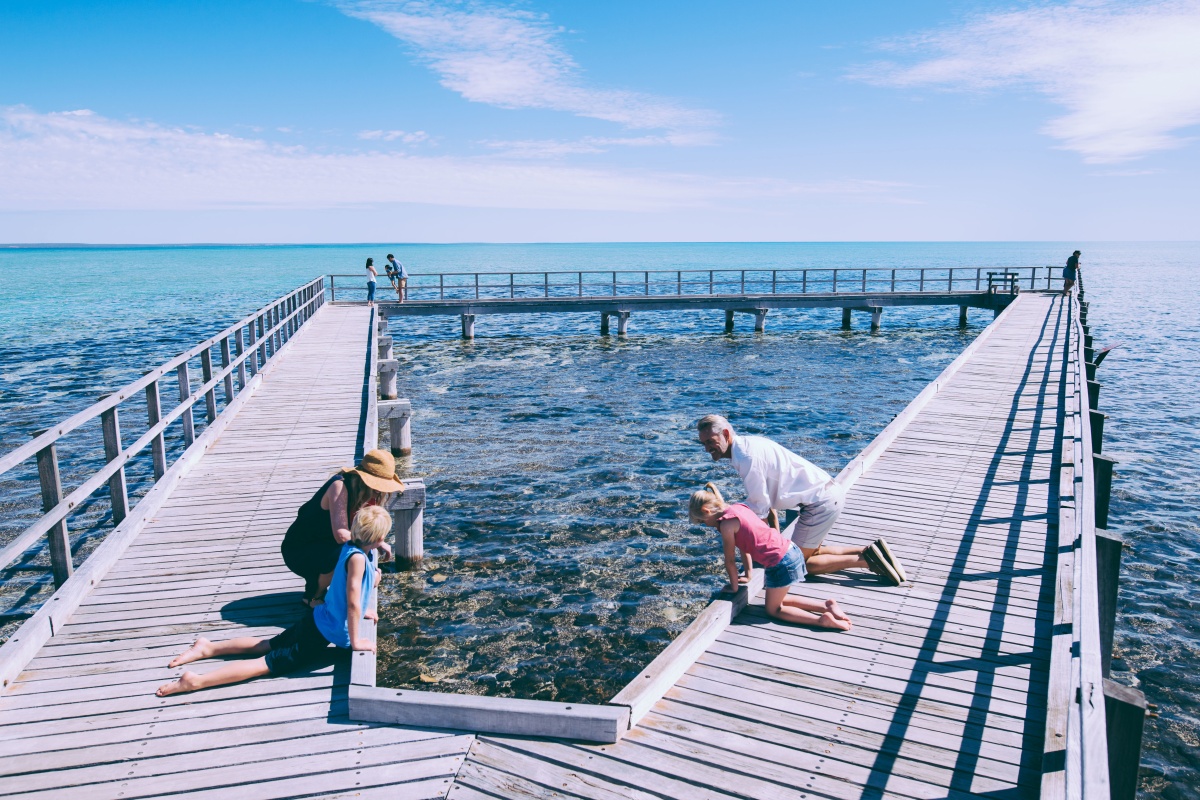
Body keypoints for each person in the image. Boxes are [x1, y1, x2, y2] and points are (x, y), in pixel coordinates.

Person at [155, 506, 390, 697]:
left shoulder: (352, 548)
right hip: (321, 632)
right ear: (379, 537)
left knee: (267, 644)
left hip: (318, 619)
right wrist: (357, 640)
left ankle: (208, 648)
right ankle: (196, 681)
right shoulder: (359, 560)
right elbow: (352, 602)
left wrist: (363, 609)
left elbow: (350, 590)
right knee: (265, 664)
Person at [696, 414, 905, 585]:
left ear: (725, 434)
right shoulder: (749, 446)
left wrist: (733, 522)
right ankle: (868, 551)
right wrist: (772, 537)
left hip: (819, 504)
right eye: (703, 443)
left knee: (799, 564)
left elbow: (759, 509)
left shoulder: (747, 459)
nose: (706, 449)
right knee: (813, 551)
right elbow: (765, 506)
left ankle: (867, 563)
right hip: (826, 494)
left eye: (710, 442)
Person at [689, 488, 852, 629]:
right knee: (778, 598)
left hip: (780, 562)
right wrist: (748, 574)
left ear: (706, 511)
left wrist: (734, 588)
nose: (705, 525)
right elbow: (744, 547)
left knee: (774, 610)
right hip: (791, 550)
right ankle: (826, 606)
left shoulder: (726, 524)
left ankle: (820, 620)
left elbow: (730, 560)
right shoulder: (739, 507)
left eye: (702, 522)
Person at [281, 449, 400, 606]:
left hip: (324, 544)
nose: (380, 490)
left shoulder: (370, 493)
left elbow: (364, 529)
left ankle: (340, 591)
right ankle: (313, 596)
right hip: (299, 550)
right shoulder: (339, 486)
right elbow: (341, 535)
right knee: (347, 552)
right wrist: (374, 541)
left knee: (361, 551)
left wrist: (378, 541)